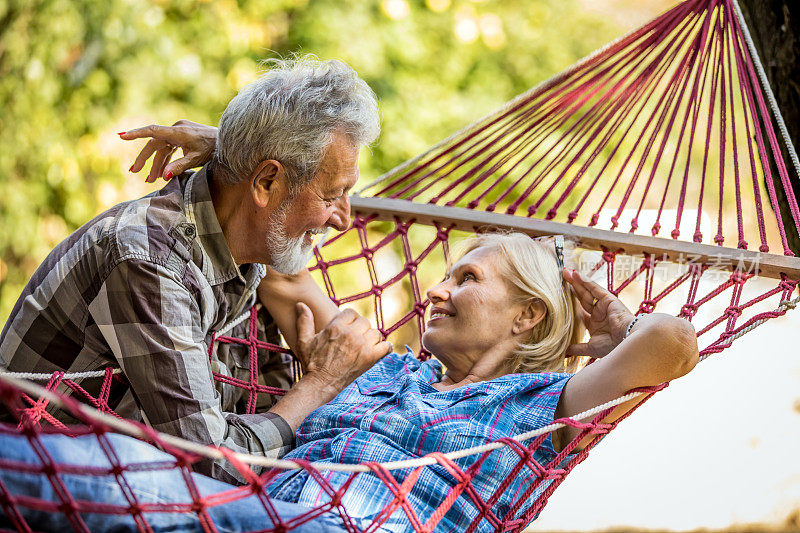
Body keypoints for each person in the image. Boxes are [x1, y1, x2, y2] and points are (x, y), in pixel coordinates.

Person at [0, 230, 699, 532]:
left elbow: (673, 344)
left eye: (468, 277)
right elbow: (276, 265)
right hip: (247, 506)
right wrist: (234, 150)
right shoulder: (384, 364)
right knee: (101, 466)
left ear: (526, 317)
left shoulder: (543, 410)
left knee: (101, 480)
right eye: (448, 272)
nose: (437, 288)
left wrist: (621, 321)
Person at [0, 56, 391, 485]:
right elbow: (216, 465)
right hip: (39, 486)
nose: (344, 218)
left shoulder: (250, 253)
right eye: (333, 195)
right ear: (265, 184)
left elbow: (261, 415)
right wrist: (320, 384)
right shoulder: (149, 262)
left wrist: (229, 147)